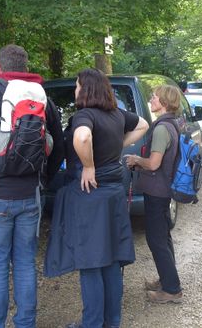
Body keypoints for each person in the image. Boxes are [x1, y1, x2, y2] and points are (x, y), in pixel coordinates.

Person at [0, 44, 64, 328]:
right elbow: (59, 147)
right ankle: (25, 323)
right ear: (26, 68)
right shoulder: (42, 99)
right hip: (30, 194)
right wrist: (43, 179)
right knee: (26, 263)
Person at [44, 69, 148, 328]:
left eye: (77, 86)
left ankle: (91, 323)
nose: (75, 90)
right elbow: (144, 125)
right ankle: (111, 322)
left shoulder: (85, 115)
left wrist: (88, 165)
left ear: (86, 89)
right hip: (113, 194)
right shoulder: (116, 114)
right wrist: (118, 145)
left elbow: (82, 137)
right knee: (111, 260)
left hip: (90, 195)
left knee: (91, 262)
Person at [125, 84, 186, 304]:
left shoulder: (161, 129)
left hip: (157, 191)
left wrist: (136, 160)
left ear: (164, 102)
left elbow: (153, 164)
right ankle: (167, 280)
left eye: (154, 97)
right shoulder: (173, 123)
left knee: (156, 240)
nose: (151, 99)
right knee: (163, 237)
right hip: (164, 190)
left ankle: (172, 289)